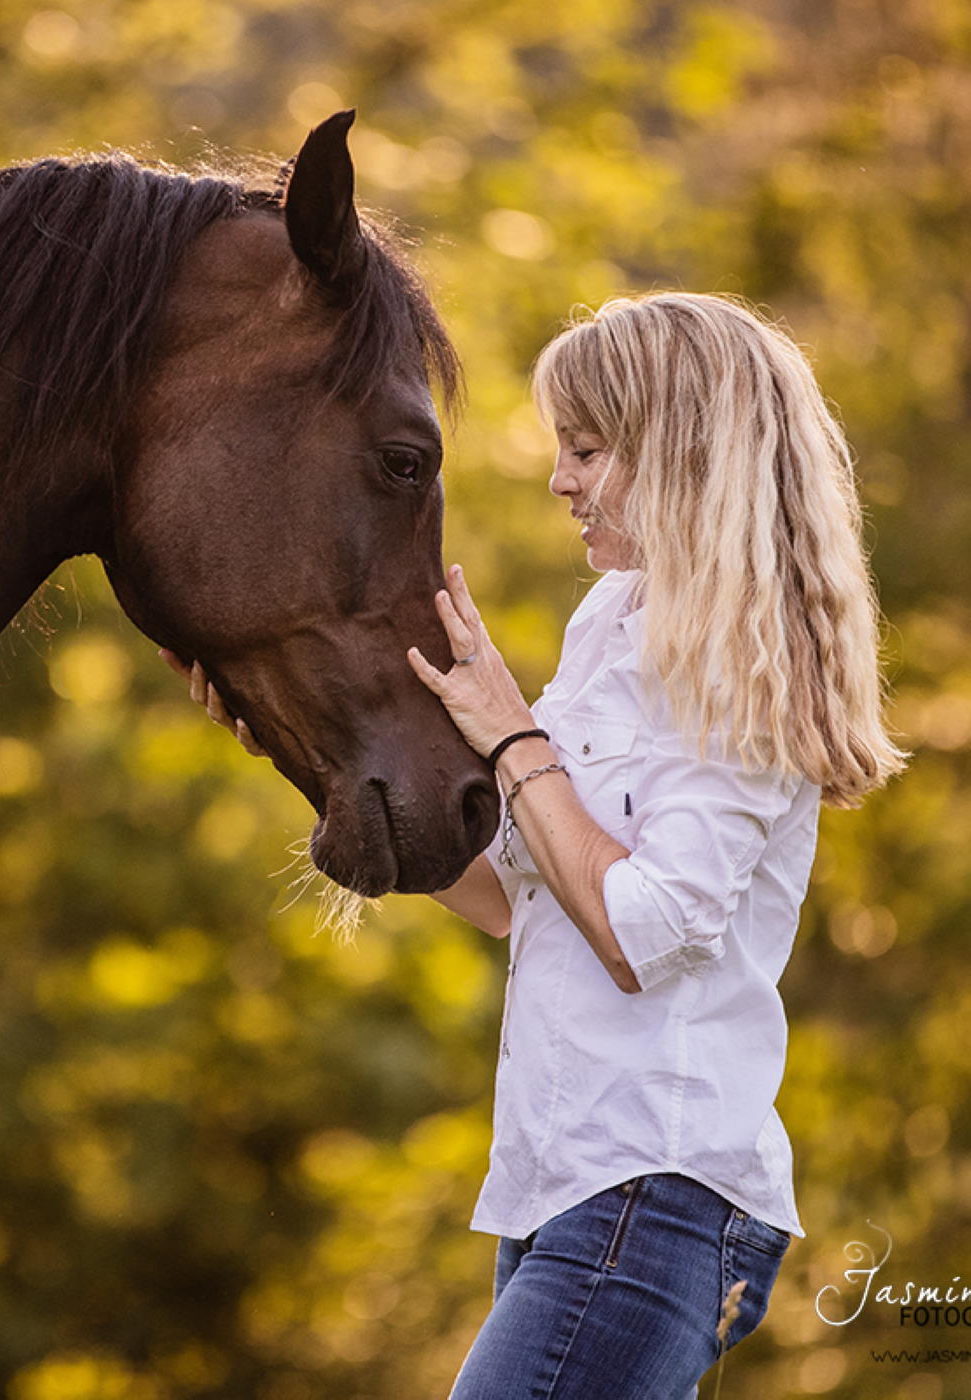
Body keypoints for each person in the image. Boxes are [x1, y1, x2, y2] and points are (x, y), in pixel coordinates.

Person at [162, 291, 905, 1398]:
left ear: (680, 450)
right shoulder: (608, 622)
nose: (557, 478)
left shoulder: (746, 658)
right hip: (562, 1192)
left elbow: (635, 933)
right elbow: (518, 892)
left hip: (652, 1196)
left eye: (586, 448)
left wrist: (510, 732)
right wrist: (293, 747)